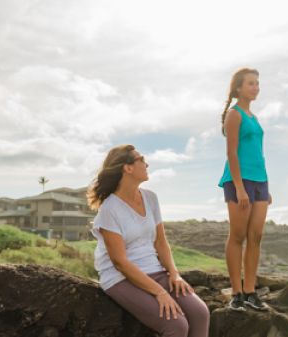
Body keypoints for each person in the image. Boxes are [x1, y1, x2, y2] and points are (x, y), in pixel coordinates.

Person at [88, 144, 209, 337]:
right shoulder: (110, 209)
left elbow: (161, 242)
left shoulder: (151, 198)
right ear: (127, 168)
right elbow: (120, 263)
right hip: (121, 278)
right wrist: (160, 292)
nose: (147, 164)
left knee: (200, 313)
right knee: (177, 325)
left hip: (155, 270)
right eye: (142, 160)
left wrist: (174, 274)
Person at [218, 68, 271, 311]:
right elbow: (231, 153)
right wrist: (239, 188)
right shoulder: (234, 115)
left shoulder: (254, 117)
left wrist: (265, 185)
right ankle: (236, 294)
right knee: (238, 236)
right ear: (238, 87)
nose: (256, 87)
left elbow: (258, 153)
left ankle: (250, 291)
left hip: (260, 181)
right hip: (239, 181)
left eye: (257, 83)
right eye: (251, 83)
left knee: (256, 237)